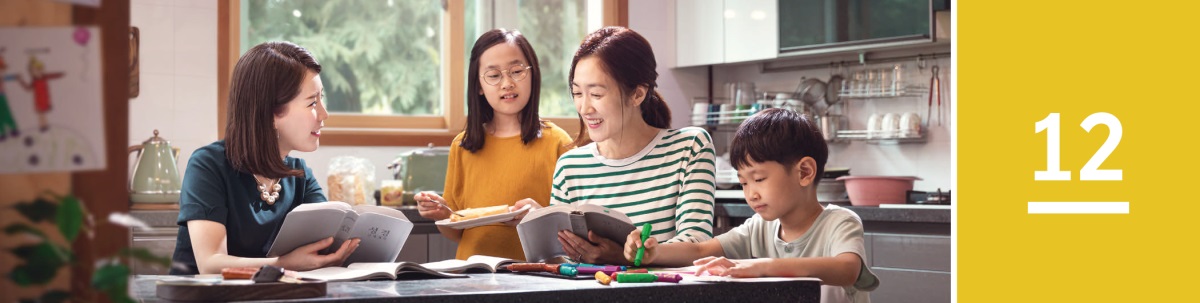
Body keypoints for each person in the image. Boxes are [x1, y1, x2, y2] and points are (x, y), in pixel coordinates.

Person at [623, 108, 880, 303]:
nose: (751, 194)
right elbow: (700, 248)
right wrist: (657, 253)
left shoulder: (840, 222)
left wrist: (763, 267)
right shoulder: (758, 228)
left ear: (804, 172)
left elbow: (847, 270)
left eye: (758, 179)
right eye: (744, 183)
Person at [170, 41, 359, 275]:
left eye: (322, 99)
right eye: (312, 102)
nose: (324, 114)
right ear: (270, 113)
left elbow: (322, 246)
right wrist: (284, 264)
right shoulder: (208, 165)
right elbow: (210, 265)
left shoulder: (299, 174)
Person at [549, 26, 716, 265]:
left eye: (596, 94)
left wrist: (624, 258)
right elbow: (560, 258)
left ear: (637, 94)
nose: (584, 108)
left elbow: (697, 244)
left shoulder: (689, 148)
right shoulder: (570, 166)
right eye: (577, 93)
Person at [411, 29, 574, 261]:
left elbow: (575, 230)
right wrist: (440, 214)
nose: (507, 83)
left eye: (517, 71)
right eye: (494, 75)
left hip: (535, 277)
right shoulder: (463, 145)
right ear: (478, 86)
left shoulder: (558, 142)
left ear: (533, 74)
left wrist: (541, 216)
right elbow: (455, 230)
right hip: (471, 276)